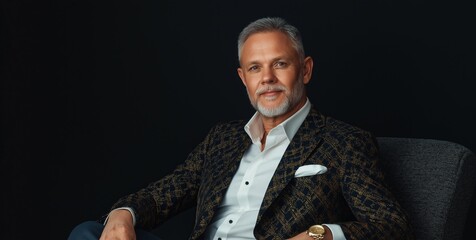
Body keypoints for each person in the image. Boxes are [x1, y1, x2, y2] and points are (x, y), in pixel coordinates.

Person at [69, 17, 413, 240]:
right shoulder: (222, 139)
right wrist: (122, 213)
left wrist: (320, 234)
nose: (267, 79)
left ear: (305, 70)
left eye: (280, 64)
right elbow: (164, 194)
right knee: (88, 233)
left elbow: (390, 225)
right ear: (242, 78)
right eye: (254, 68)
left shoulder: (344, 142)